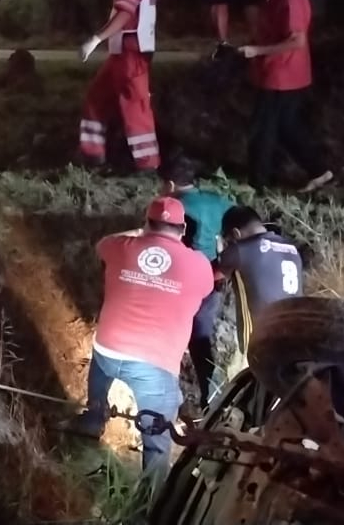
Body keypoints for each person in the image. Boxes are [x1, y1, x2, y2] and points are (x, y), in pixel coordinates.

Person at [72, 197, 214, 482]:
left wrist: (140, 235)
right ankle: (149, 502)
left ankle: (93, 418)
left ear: (146, 222)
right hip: (154, 366)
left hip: (108, 352)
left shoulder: (122, 247)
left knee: (102, 363)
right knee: (157, 439)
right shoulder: (199, 265)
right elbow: (205, 292)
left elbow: (102, 243)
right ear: (183, 228)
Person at [233, 0, 333, 192]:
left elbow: (297, 41)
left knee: (262, 127)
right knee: (286, 126)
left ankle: (258, 183)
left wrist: (258, 50)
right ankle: (319, 170)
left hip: (283, 76)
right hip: (281, 73)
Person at [78, 0, 161, 173]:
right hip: (122, 53)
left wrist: (95, 39)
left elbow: (125, 15)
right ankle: (92, 156)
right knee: (96, 98)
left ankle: (147, 167)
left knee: (135, 108)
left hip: (132, 53)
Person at [157, 156, 236, 413]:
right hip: (212, 280)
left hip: (179, 283)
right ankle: (213, 401)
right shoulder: (219, 202)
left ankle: (164, 400)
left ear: (169, 184)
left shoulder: (170, 206)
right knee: (201, 340)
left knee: (168, 338)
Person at [213, 205, 305, 370]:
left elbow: (215, 274)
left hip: (260, 336)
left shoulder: (241, 249)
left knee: (253, 382)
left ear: (236, 234)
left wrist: (222, 252)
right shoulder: (291, 249)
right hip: (295, 331)